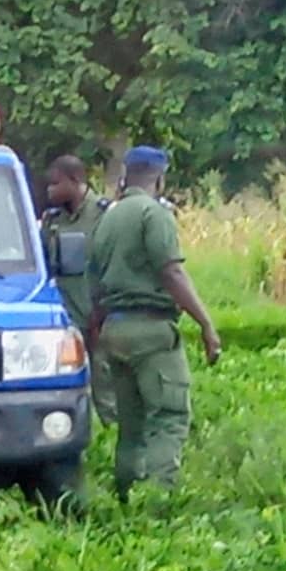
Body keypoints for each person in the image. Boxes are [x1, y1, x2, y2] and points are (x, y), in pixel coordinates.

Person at [86, 146, 221, 504]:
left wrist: (97, 334)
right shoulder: (154, 214)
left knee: (131, 425)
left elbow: (94, 286)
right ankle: (159, 502)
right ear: (159, 178)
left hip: (114, 332)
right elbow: (171, 271)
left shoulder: (106, 220)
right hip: (152, 331)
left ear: (126, 176)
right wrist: (206, 324)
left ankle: (126, 496)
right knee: (169, 416)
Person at [40, 154, 118, 426]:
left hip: (98, 316)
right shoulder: (51, 221)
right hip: (65, 318)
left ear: (75, 181)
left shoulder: (104, 215)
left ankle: (109, 434)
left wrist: (103, 313)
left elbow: (113, 265)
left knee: (105, 383)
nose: (49, 190)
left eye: (55, 184)